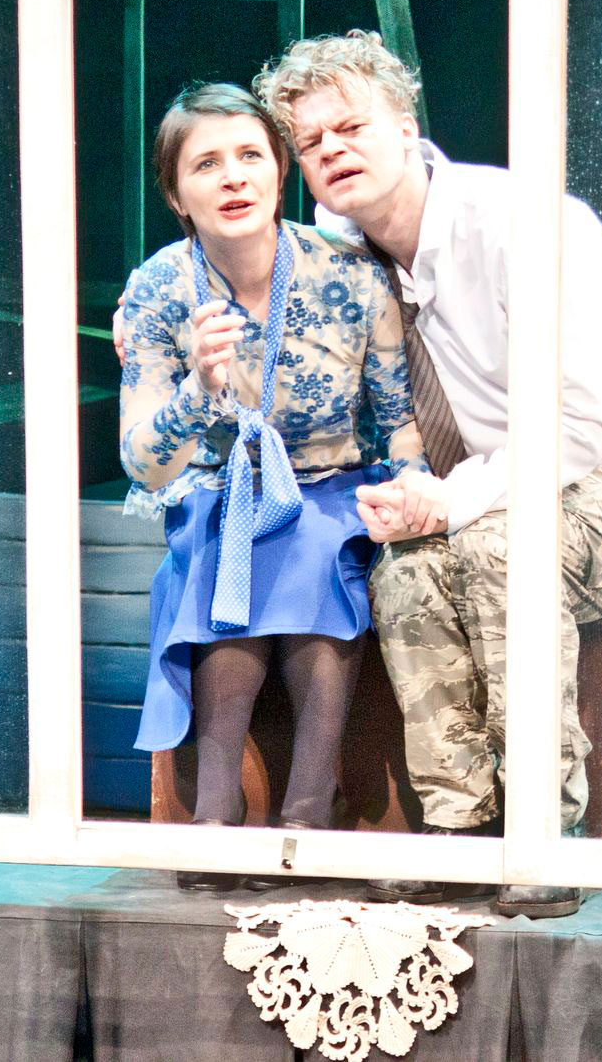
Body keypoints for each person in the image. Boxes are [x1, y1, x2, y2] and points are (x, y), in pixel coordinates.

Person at [253, 31, 602, 919]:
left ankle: (541, 827)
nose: (332, 150)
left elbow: (586, 422)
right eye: (310, 142)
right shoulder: (338, 256)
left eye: (351, 126)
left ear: (407, 125)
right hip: (476, 502)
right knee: (406, 570)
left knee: (503, 548)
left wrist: (452, 498)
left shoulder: (522, 223)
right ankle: (458, 825)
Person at [117, 82, 425, 891]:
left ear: (280, 172)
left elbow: (399, 421)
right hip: (221, 490)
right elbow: (142, 462)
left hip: (331, 486)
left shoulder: (349, 275)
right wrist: (197, 390)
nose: (233, 177)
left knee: (318, 545)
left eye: (250, 155)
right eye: (206, 164)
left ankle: (307, 813)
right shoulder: (159, 289)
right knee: (231, 539)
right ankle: (215, 814)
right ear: (176, 194)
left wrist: (413, 493)